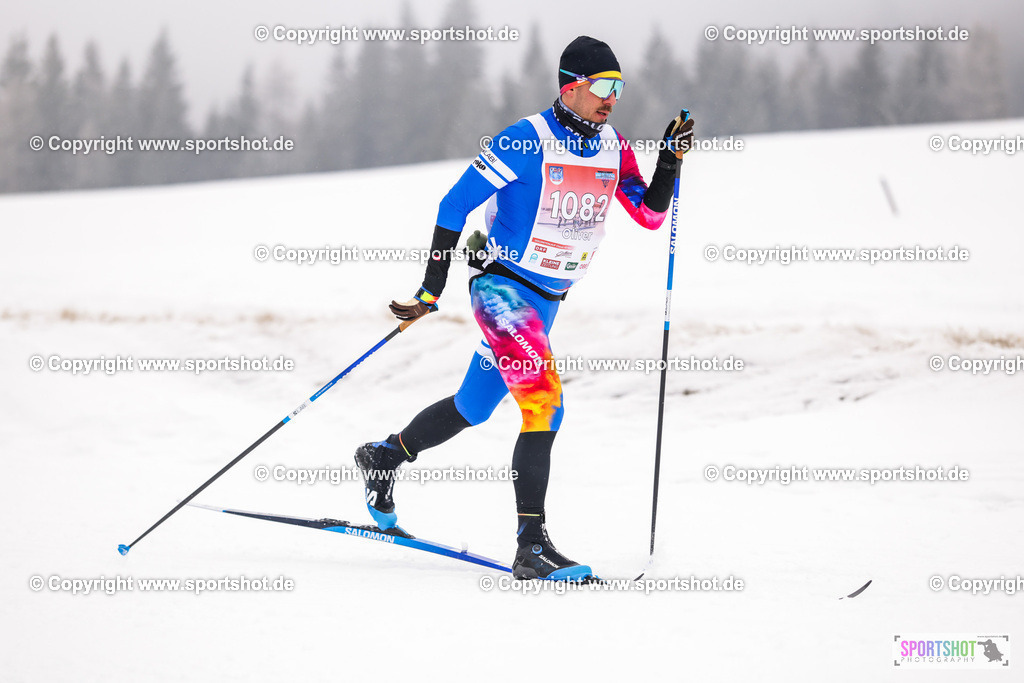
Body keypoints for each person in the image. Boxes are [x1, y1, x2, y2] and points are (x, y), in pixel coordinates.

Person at [355, 35, 694, 580]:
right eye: (604, 86)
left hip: (547, 301)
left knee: (473, 406)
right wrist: (430, 289)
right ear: (571, 85)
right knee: (544, 403)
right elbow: (453, 205)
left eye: (620, 88)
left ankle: (384, 456)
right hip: (501, 290)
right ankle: (531, 544)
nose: (613, 98)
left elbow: (650, 214)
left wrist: (669, 161)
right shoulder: (524, 140)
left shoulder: (614, 146)